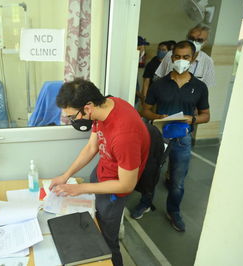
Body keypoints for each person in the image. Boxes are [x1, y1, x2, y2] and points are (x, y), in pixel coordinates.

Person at [49, 79, 150, 266]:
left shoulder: (125, 135)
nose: (73, 121)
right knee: (94, 226)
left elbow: (127, 184)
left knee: (107, 242)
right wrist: (66, 175)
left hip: (114, 189)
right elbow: (91, 147)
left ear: (87, 107)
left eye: (72, 116)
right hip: (103, 173)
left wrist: (80, 189)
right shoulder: (106, 106)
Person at [134, 41, 210, 232]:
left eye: (186, 57)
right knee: (150, 174)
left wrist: (191, 119)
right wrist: (158, 117)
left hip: (182, 139)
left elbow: (206, 115)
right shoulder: (159, 84)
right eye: (177, 56)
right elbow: (146, 111)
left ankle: (173, 211)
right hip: (159, 137)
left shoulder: (199, 87)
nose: (181, 61)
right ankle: (145, 203)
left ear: (193, 59)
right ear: (172, 57)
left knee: (177, 180)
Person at [155, 24, 215, 89]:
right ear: (187, 37)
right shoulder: (170, 54)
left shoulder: (207, 61)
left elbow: (206, 88)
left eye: (199, 40)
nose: (194, 42)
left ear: (205, 42)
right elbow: (159, 78)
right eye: (192, 38)